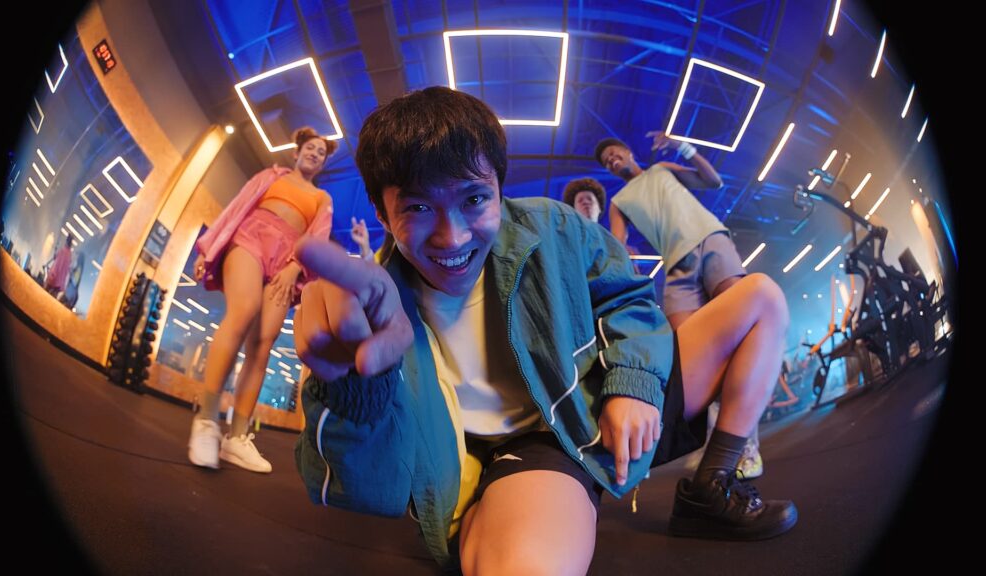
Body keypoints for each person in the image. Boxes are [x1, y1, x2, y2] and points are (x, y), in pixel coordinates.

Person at [292, 87, 796, 574]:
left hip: (593, 400)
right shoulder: (376, 312)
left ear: (499, 189)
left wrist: (634, 383)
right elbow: (367, 491)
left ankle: (713, 483)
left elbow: (627, 296)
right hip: (527, 449)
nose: (454, 236)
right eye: (418, 207)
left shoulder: (554, 225)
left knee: (760, 299)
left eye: (474, 199)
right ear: (382, 214)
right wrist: (354, 385)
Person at [597, 133, 763, 477]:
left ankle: (745, 447)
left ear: (628, 152)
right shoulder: (619, 201)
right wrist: (622, 254)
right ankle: (713, 442)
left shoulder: (661, 169)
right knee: (689, 353)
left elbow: (712, 181)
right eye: (607, 162)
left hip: (709, 241)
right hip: (675, 265)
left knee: (744, 328)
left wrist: (679, 146)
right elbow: (617, 241)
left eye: (614, 153)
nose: (612, 161)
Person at [187, 126, 337, 473]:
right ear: (297, 151)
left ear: (323, 163)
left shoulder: (322, 198)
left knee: (263, 343)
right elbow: (237, 207)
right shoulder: (271, 176)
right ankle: (206, 421)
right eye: (311, 148)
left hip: (287, 259)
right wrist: (209, 247)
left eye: (321, 152)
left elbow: (317, 237)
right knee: (243, 311)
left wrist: (295, 267)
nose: (315, 153)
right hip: (251, 238)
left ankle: (237, 437)